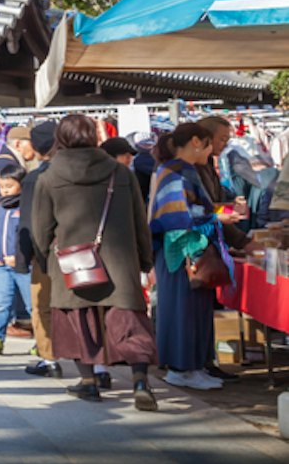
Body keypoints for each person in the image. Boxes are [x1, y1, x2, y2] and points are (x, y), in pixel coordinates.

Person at [34, 113, 159, 411]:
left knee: (78, 322)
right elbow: (139, 220)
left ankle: (89, 382)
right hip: (119, 261)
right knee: (129, 322)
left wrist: (44, 260)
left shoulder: (48, 177)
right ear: (94, 136)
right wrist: (144, 259)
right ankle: (140, 382)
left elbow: (40, 230)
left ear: (59, 138)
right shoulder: (120, 172)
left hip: (73, 264)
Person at [149, 123, 243, 391]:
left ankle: (193, 366)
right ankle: (181, 368)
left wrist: (217, 213)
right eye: (210, 142)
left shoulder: (181, 170)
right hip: (179, 251)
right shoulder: (174, 171)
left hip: (190, 249)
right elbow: (177, 215)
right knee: (182, 309)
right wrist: (216, 216)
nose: (214, 148)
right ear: (196, 142)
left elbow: (190, 208)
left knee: (194, 309)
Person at [0, 164, 30, 356]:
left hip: (24, 267)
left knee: (32, 304)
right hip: (2, 267)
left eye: (9, 186)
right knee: (0, 302)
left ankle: (44, 342)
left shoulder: (26, 208)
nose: (5, 190)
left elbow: (28, 235)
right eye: (2, 186)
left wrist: (20, 256)